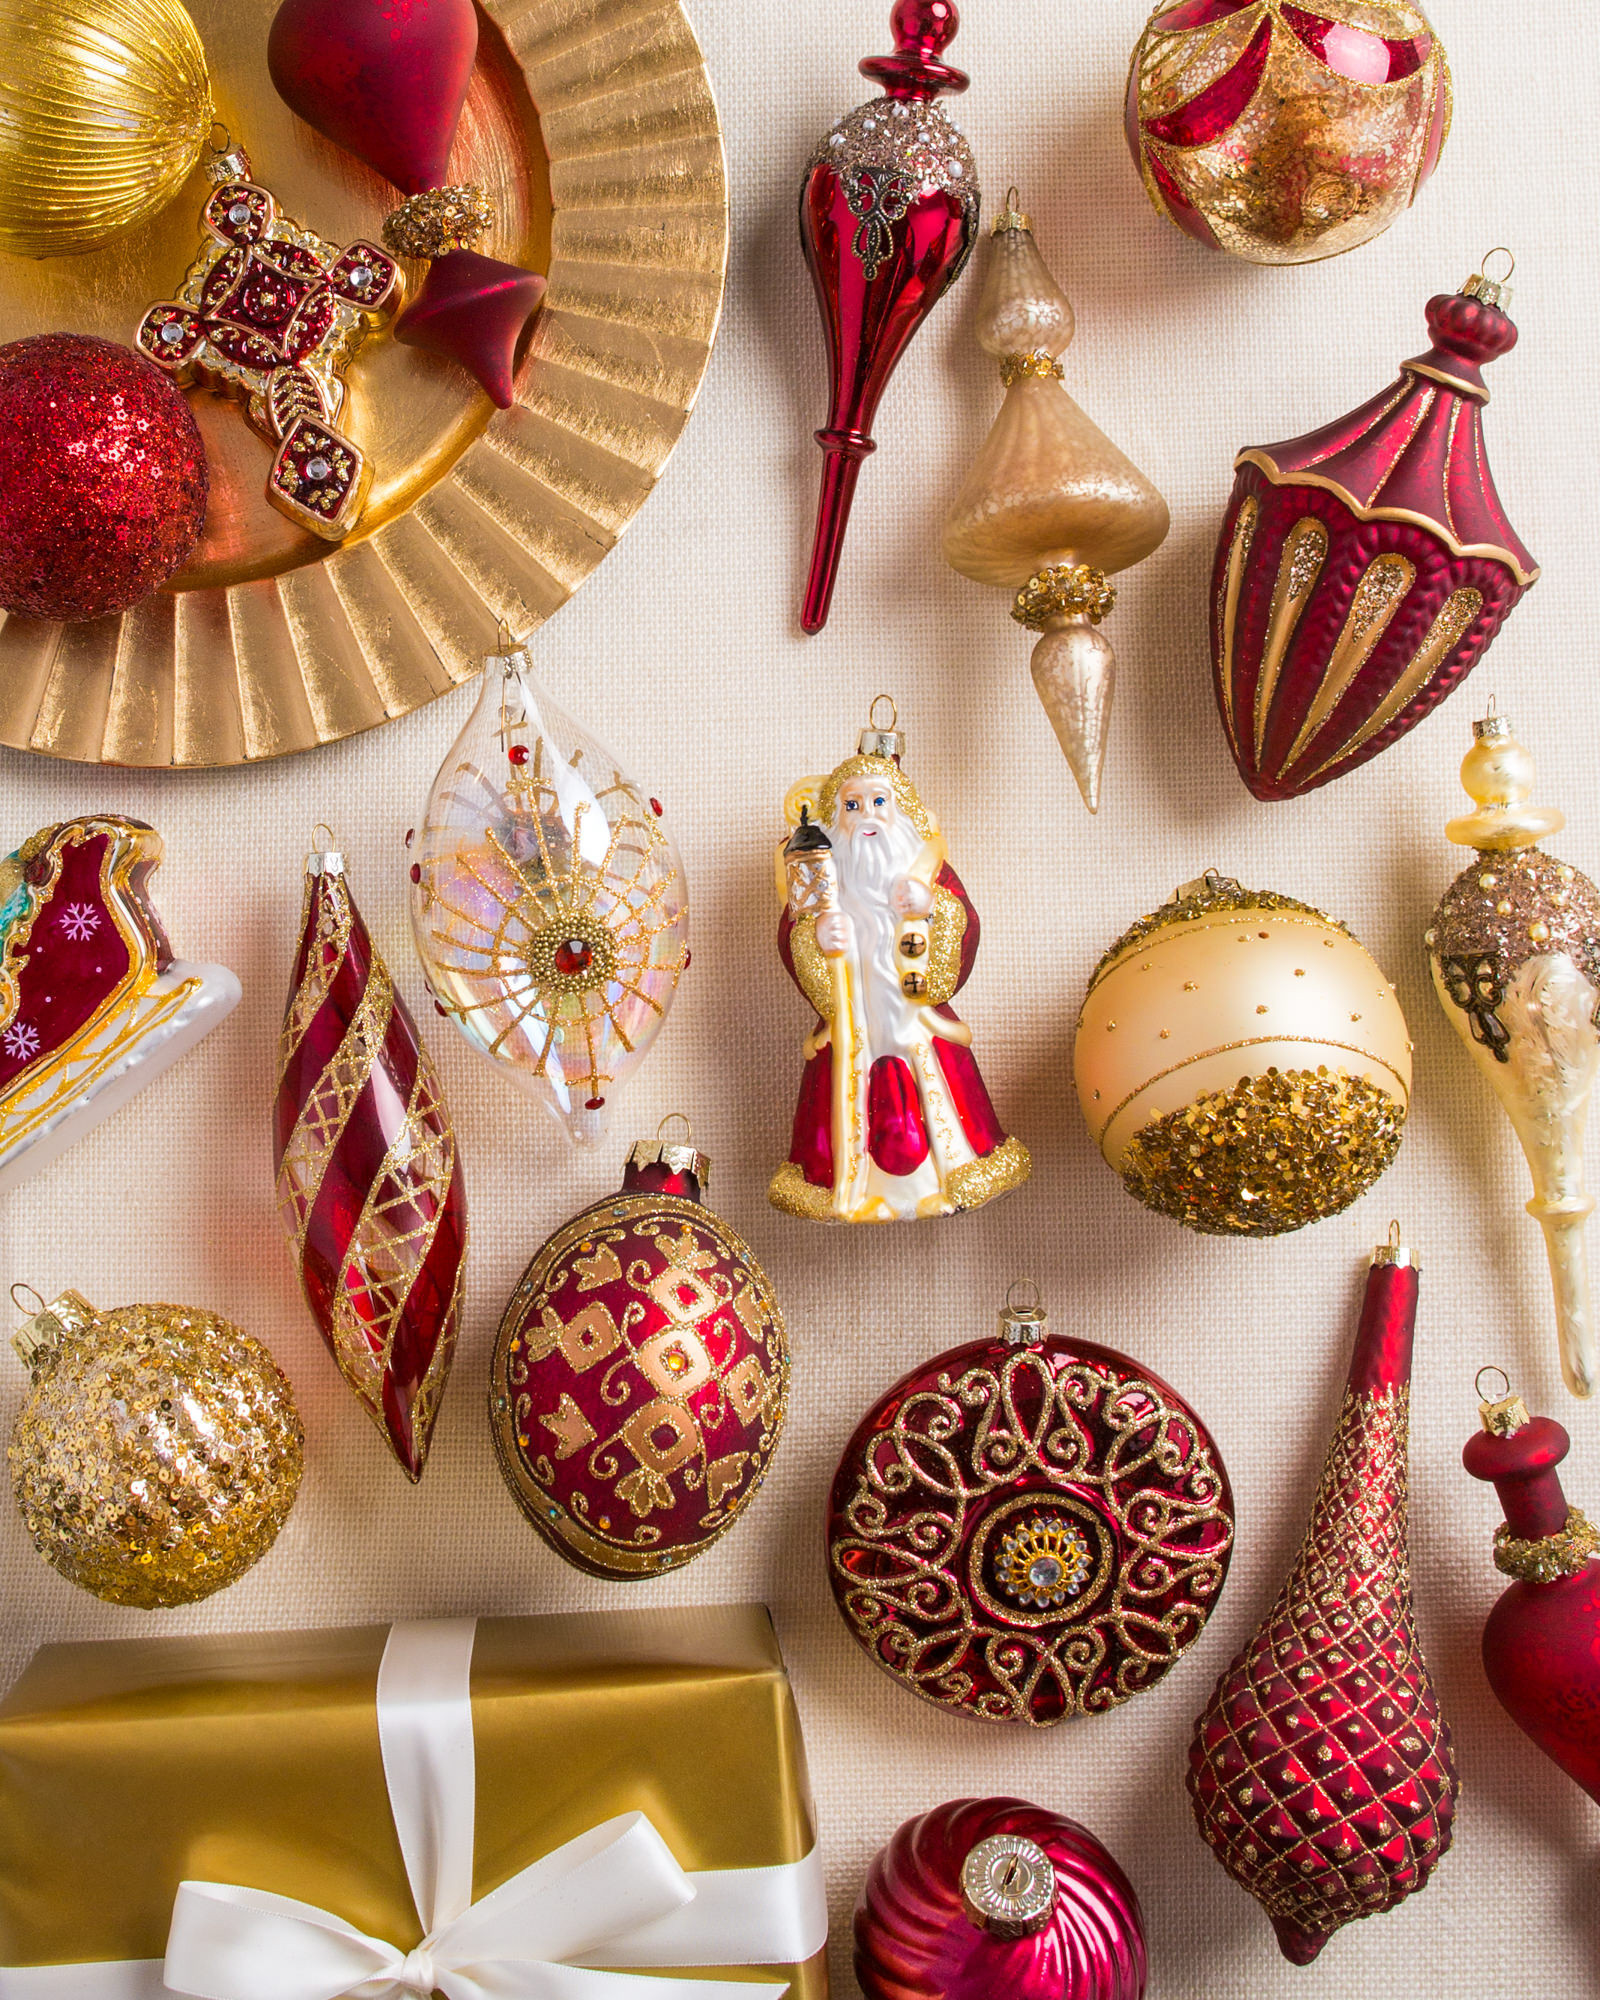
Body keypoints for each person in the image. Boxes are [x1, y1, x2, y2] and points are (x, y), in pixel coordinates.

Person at [770, 716, 1029, 1223]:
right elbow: (794, 931)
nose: (865, 815)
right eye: (851, 805)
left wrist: (932, 905)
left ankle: (946, 1174)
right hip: (851, 1023)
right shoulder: (823, 877)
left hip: (915, 1018)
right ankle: (854, 1187)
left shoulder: (925, 868)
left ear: (901, 811)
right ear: (832, 820)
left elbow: (964, 921)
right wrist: (816, 937)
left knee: (934, 1093)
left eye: (878, 802)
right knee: (850, 1094)